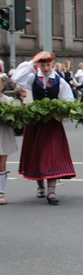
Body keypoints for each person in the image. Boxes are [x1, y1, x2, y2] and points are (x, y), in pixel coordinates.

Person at [11, 51, 76, 205]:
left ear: (52, 64)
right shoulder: (33, 78)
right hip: (36, 122)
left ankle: (51, 191)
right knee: (37, 153)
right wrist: (32, 61)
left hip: (52, 123)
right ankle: (40, 185)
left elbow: (69, 100)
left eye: (47, 65)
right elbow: (16, 78)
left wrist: (59, 111)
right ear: (38, 65)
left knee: (52, 154)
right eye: (42, 65)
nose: (45, 68)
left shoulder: (59, 81)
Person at [0, 74, 19, 204]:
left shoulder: (8, 100)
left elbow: (15, 119)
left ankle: (1, 194)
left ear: (3, 84)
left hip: (4, 133)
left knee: (2, 163)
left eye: (0, 82)